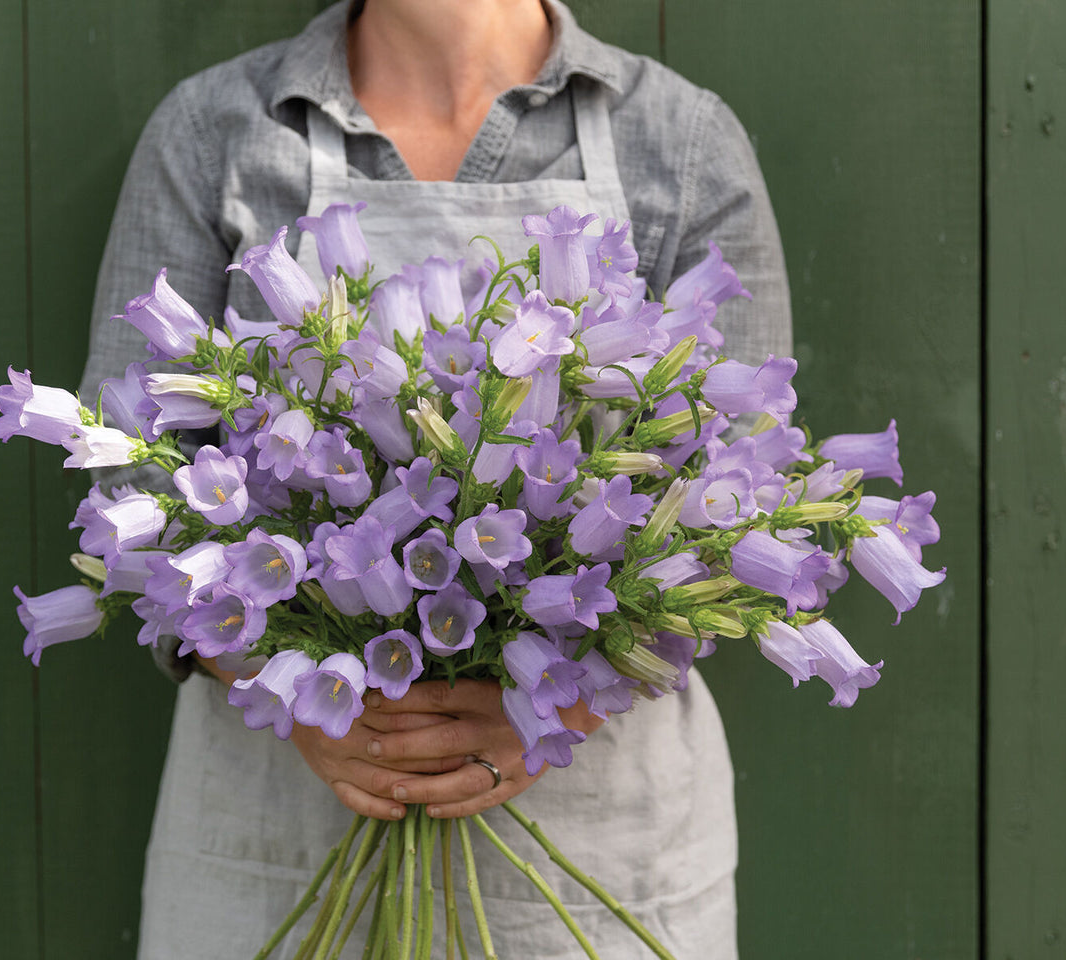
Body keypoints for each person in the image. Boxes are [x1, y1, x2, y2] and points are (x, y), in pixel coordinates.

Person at [80, 1, 792, 957]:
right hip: (282, 808)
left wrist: (550, 704)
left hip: (596, 832)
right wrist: (286, 683)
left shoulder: (680, 138)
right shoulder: (215, 128)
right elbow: (126, 478)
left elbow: (747, 502)